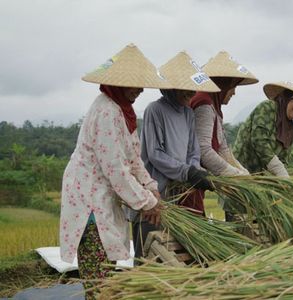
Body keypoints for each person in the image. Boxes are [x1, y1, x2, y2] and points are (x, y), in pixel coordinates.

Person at [59, 44, 168, 299]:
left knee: (108, 265)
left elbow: (133, 157)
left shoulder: (124, 111)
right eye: (135, 84)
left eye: (142, 85)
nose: (140, 90)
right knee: (99, 275)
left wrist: (151, 188)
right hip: (89, 199)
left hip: (102, 195)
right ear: (118, 83)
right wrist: (147, 203)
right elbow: (117, 171)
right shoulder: (107, 111)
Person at [127, 51, 220, 259]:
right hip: (155, 195)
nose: (190, 93)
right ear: (171, 87)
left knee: (172, 255)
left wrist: (194, 170)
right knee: (148, 254)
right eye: (185, 89)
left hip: (179, 198)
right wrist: (185, 172)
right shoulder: (155, 110)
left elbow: (193, 149)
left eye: (192, 89)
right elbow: (155, 153)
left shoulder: (188, 113)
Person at [233, 79, 293, 177]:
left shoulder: (290, 131)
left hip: (261, 178)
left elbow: (283, 159)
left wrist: (280, 178)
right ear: (288, 97)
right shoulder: (268, 107)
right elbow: (259, 141)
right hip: (241, 171)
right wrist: (278, 169)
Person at [190, 51, 258, 177]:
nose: (233, 93)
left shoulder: (214, 106)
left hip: (199, 177)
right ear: (223, 84)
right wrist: (234, 174)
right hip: (193, 177)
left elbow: (223, 148)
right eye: (233, 87)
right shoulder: (204, 104)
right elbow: (203, 150)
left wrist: (242, 171)